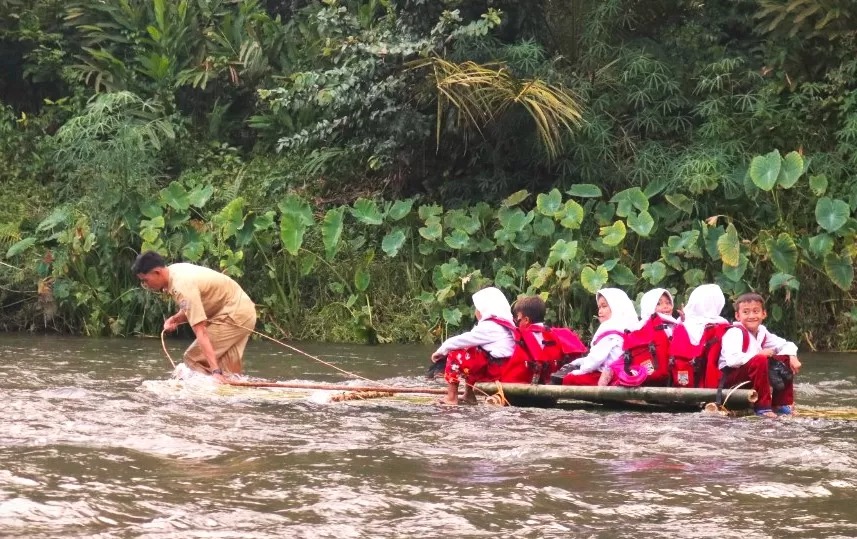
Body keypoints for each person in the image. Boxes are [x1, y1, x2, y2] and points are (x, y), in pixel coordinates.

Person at [132, 251, 257, 380]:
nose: (145, 285)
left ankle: (206, 392)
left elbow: (201, 331)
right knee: (229, 372)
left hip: (234, 315)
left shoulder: (181, 286)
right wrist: (176, 319)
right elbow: (193, 307)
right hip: (244, 311)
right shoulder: (175, 271)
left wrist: (215, 371)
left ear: (157, 272)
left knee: (193, 358)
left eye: (145, 280)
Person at [720, 292, 802, 417]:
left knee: (784, 358)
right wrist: (758, 354)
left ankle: (781, 404)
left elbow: (785, 345)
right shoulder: (734, 332)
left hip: (751, 376)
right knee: (760, 359)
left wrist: (792, 356)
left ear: (764, 314)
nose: (751, 316)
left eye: (756, 311)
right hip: (732, 379)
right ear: (737, 315)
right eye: (746, 312)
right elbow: (733, 360)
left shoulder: (762, 332)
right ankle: (763, 407)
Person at [430, 287, 516, 405]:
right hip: (504, 368)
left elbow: (462, 340)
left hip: (495, 372)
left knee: (457, 353)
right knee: (475, 352)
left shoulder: (490, 326)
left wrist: (441, 351)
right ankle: (469, 395)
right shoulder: (507, 324)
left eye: (477, 308)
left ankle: (451, 397)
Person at [551, 288, 639, 386]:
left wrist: (579, 370)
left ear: (616, 306)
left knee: (569, 379)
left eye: (604, 306)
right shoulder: (629, 325)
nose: (600, 312)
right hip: (622, 373)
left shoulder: (610, 327)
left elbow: (595, 361)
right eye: (599, 307)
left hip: (608, 376)